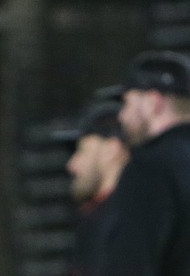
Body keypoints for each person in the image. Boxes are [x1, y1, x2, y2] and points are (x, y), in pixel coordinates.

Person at [98, 50, 190, 276]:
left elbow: (128, 265)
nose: (122, 116)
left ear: (153, 102)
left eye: (127, 102)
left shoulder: (149, 168)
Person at [64, 91, 129, 276]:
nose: (72, 165)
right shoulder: (94, 214)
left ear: (111, 149)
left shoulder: (119, 220)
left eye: (82, 150)